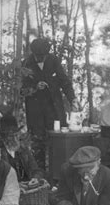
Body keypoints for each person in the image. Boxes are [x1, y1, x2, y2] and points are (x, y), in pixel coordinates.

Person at [21, 37, 76, 170]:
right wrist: (35, 87)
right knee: (37, 142)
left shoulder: (53, 61)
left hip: (53, 108)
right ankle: (39, 173)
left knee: (57, 140)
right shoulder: (26, 64)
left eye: (43, 56)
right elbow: (22, 89)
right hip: (35, 110)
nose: (40, 58)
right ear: (33, 54)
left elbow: (64, 81)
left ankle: (57, 172)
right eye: (37, 56)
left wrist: (72, 99)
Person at [0, 113, 45, 182]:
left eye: (16, 135)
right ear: (3, 137)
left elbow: (36, 170)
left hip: (28, 188)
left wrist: (35, 178)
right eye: (11, 136)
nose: (14, 139)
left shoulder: (23, 150)